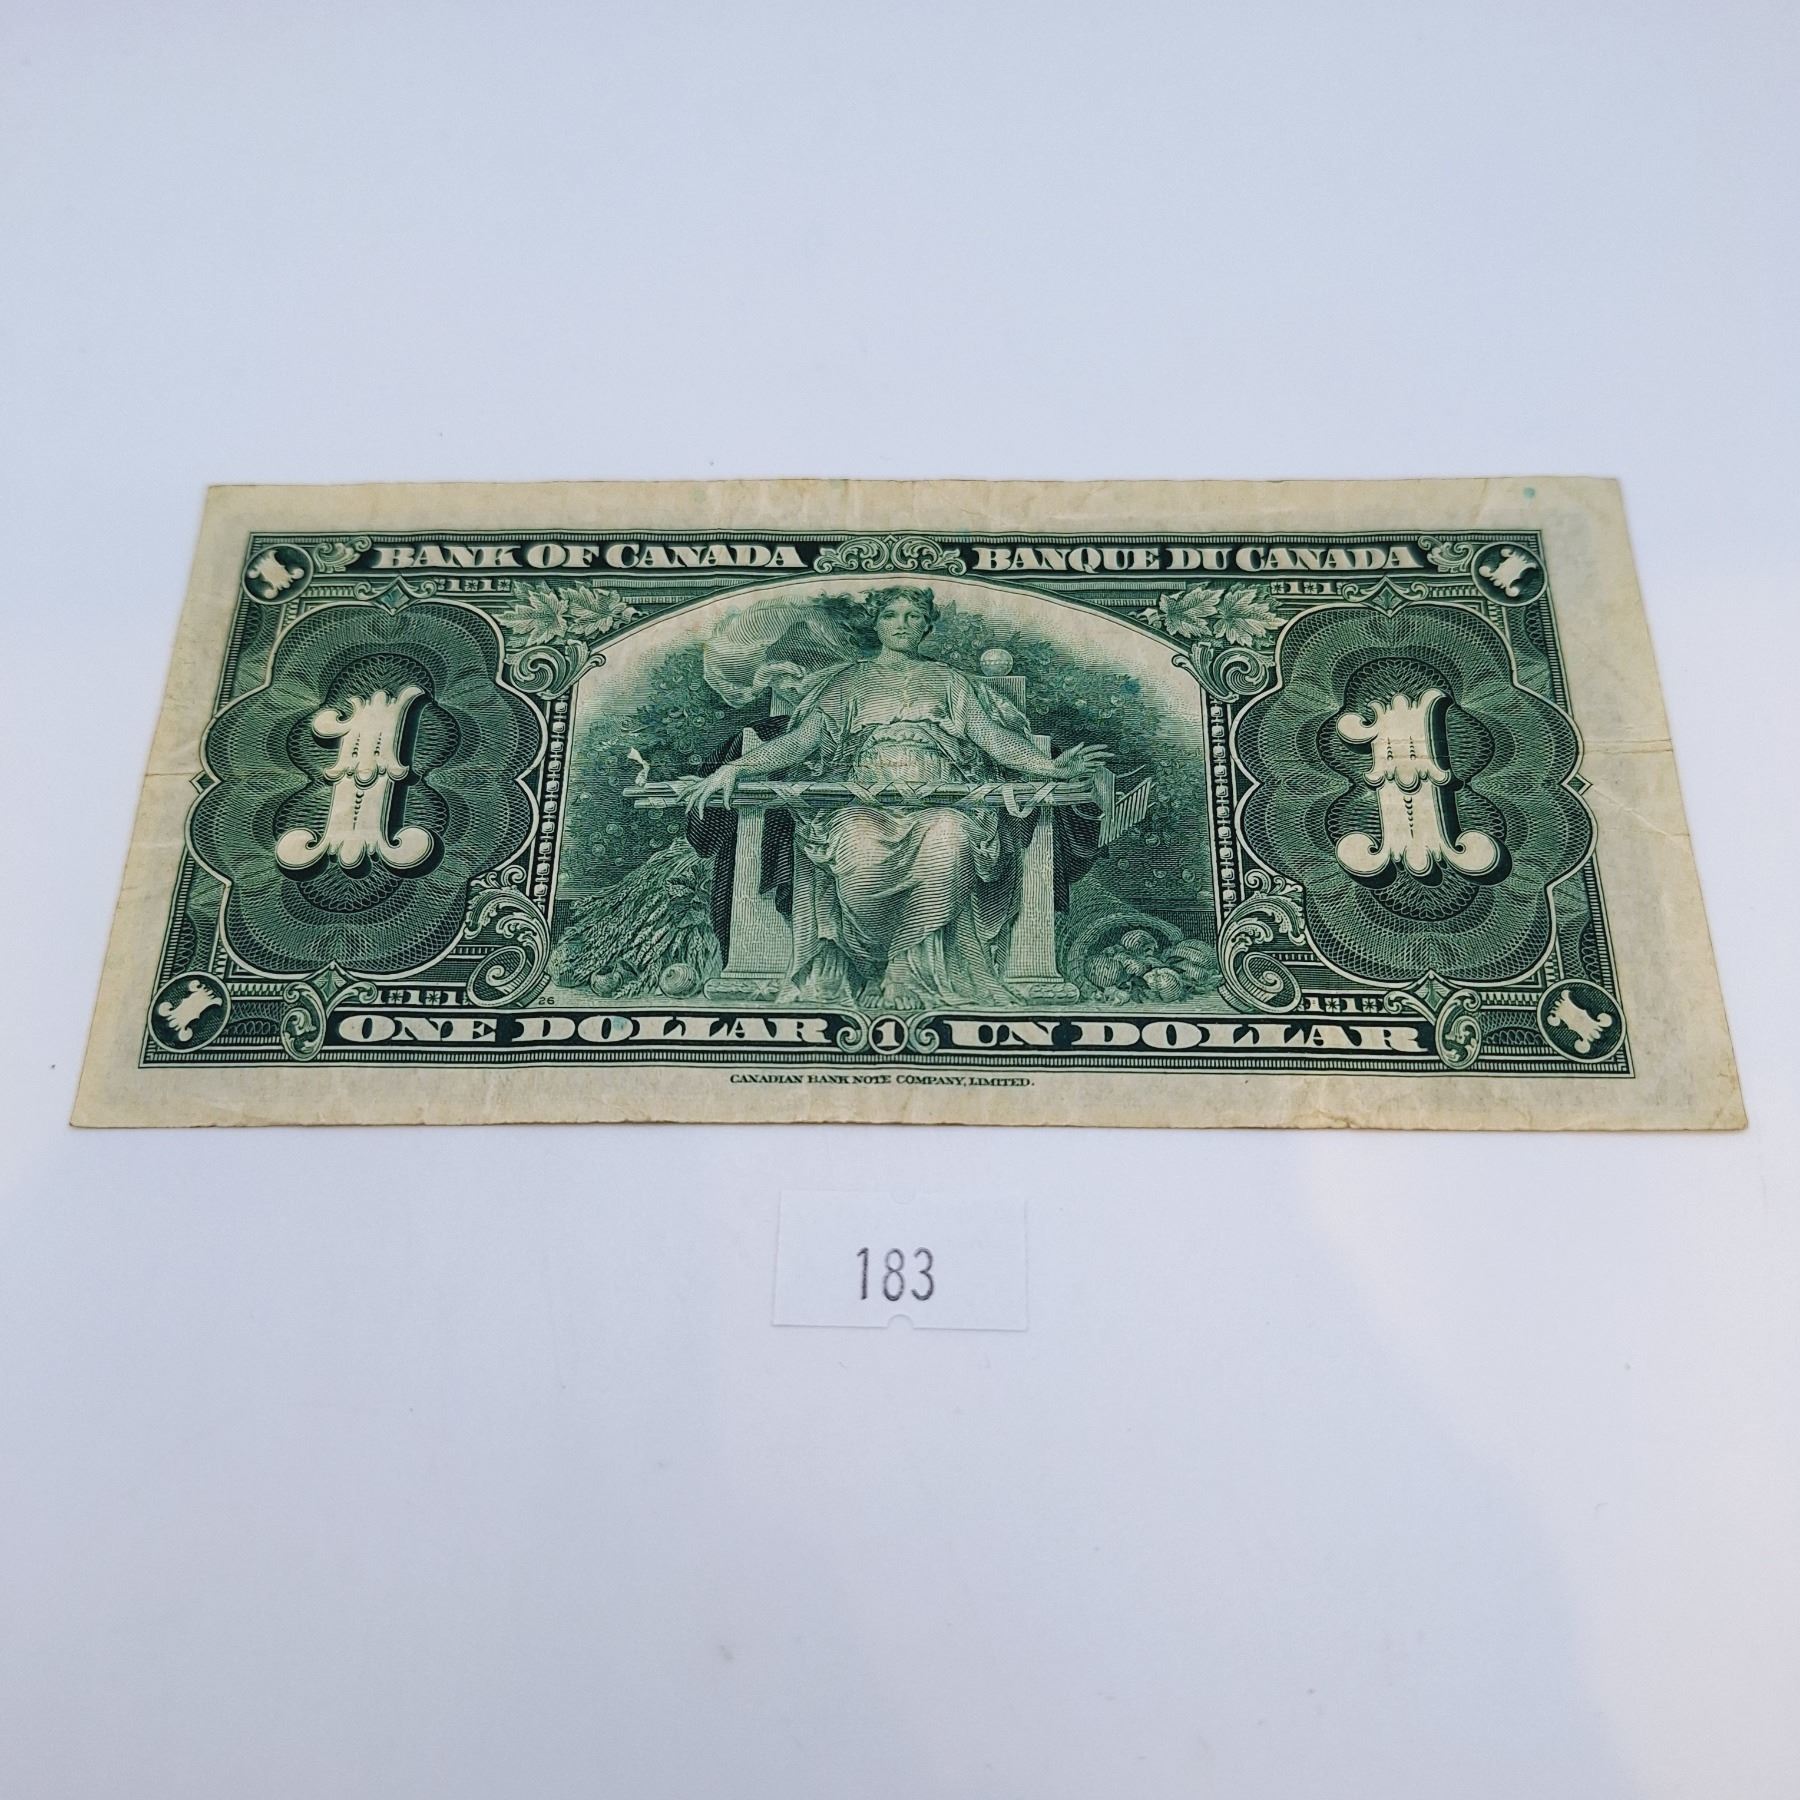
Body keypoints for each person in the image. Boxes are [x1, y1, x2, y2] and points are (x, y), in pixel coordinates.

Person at [683, 586, 1110, 1010]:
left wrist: (1054, 768)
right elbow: (800, 741)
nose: (901, 625)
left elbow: (993, 738)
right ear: (876, 623)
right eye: (891, 616)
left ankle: (906, 968)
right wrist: (734, 768)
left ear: (926, 626)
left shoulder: (949, 681)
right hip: (860, 806)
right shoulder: (849, 681)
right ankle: (870, 967)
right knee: (858, 849)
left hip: (941, 805)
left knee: (950, 838)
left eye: (912, 616)